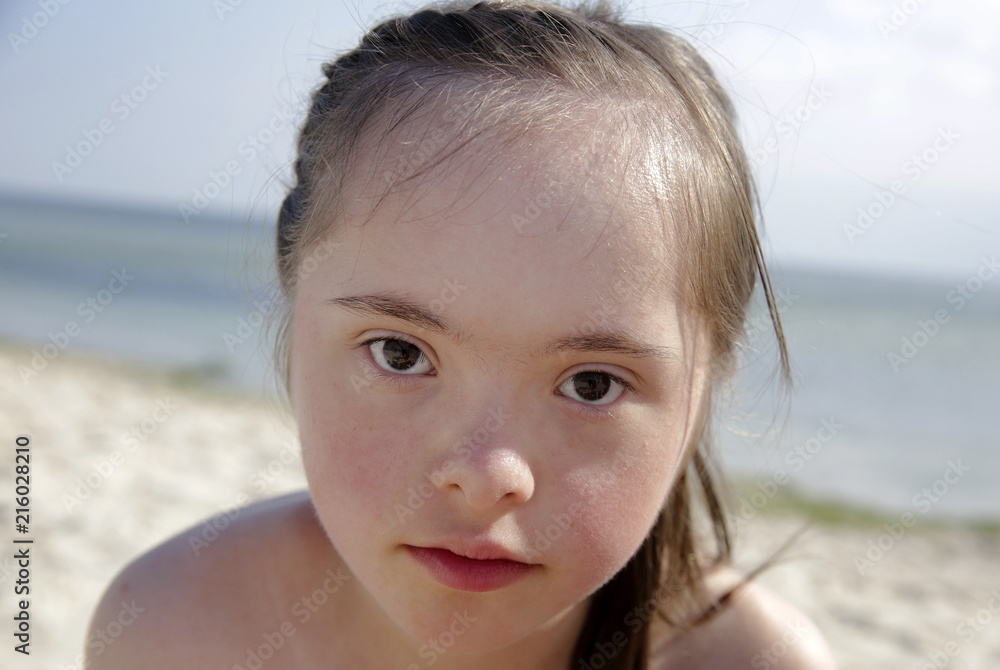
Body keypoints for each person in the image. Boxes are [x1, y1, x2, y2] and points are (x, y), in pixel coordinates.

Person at [85, 0, 836, 667]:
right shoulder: (171, 630)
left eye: (592, 384)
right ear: (294, 301)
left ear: (708, 384)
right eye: (401, 353)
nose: (484, 477)